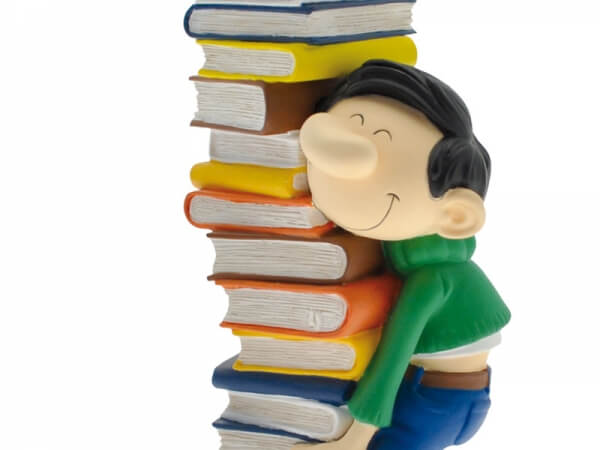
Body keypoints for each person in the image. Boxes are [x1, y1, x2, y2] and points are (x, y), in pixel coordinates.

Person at [294, 60, 511, 450]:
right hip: (462, 397)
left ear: (455, 215)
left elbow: (391, 364)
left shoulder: (431, 282)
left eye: (380, 141)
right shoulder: (436, 266)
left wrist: (353, 441)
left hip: (430, 402)